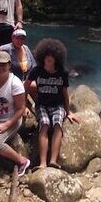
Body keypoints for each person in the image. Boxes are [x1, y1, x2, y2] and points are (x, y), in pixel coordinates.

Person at [27, 38, 79, 169]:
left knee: (57, 125)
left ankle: (53, 160)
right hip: (42, 105)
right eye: (47, 56)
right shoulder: (36, 70)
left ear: (57, 58)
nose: (50, 58)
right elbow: (25, 87)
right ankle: (43, 162)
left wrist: (69, 112)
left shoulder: (63, 73)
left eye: (52, 56)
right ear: (42, 57)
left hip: (57, 105)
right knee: (44, 125)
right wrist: (23, 106)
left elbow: (65, 93)